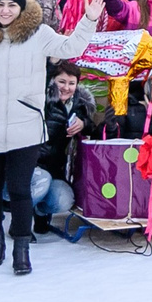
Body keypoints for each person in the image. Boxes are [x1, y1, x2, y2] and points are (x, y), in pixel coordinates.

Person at [0, 0, 103, 273]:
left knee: (19, 189)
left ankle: (22, 248)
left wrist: (88, 20)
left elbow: (71, 48)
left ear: (21, 8)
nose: (5, 10)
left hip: (23, 127)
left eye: (11, 5)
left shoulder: (38, 34)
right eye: (0, 4)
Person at [37, 63, 98, 240]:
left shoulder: (78, 104)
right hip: (31, 165)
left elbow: (92, 131)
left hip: (55, 168)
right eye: (61, 81)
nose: (66, 87)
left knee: (64, 199)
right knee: (40, 182)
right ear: (52, 81)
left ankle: (39, 212)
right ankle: (20, 223)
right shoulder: (42, 100)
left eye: (71, 83)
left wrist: (84, 123)